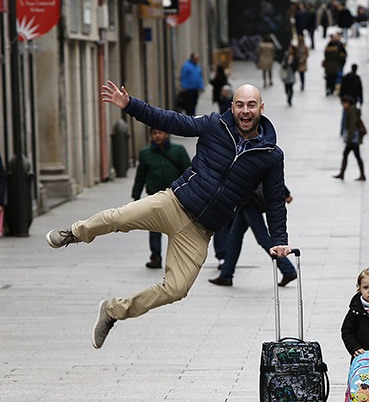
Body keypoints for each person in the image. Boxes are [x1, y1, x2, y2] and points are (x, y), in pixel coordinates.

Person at [46, 81, 292, 349]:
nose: (246, 111)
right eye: (240, 105)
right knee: (119, 217)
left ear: (261, 108)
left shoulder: (270, 155)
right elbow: (172, 121)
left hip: (200, 231)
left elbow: (275, 199)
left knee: (176, 289)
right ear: (232, 107)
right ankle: (74, 233)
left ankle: (113, 311)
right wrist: (130, 105)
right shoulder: (214, 126)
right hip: (174, 203)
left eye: (251, 105)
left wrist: (279, 238)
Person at [208, 185, 297, 288]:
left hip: (249, 199)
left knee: (262, 237)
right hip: (246, 198)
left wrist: (285, 193)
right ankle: (225, 275)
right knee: (235, 237)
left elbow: (264, 171)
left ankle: (288, 270)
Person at [131, 128, 192, 269]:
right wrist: (136, 196)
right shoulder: (145, 154)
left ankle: (179, 257)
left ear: (167, 134)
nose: (158, 136)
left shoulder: (178, 150)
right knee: (154, 227)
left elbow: (188, 171)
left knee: (178, 227)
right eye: (154, 133)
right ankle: (155, 256)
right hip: (155, 196)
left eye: (160, 132)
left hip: (176, 196)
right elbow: (140, 176)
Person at [332, 95, 366, 181]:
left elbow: (352, 125)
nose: (343, 105)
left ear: (348, 103)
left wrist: (349, 137)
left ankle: (343, 174)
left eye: (343, 103)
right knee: (354, 155)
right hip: (354, 138)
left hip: (353, 138)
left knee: (348, 154)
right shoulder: (351, 110)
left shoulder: (351, 111)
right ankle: (345, 174)